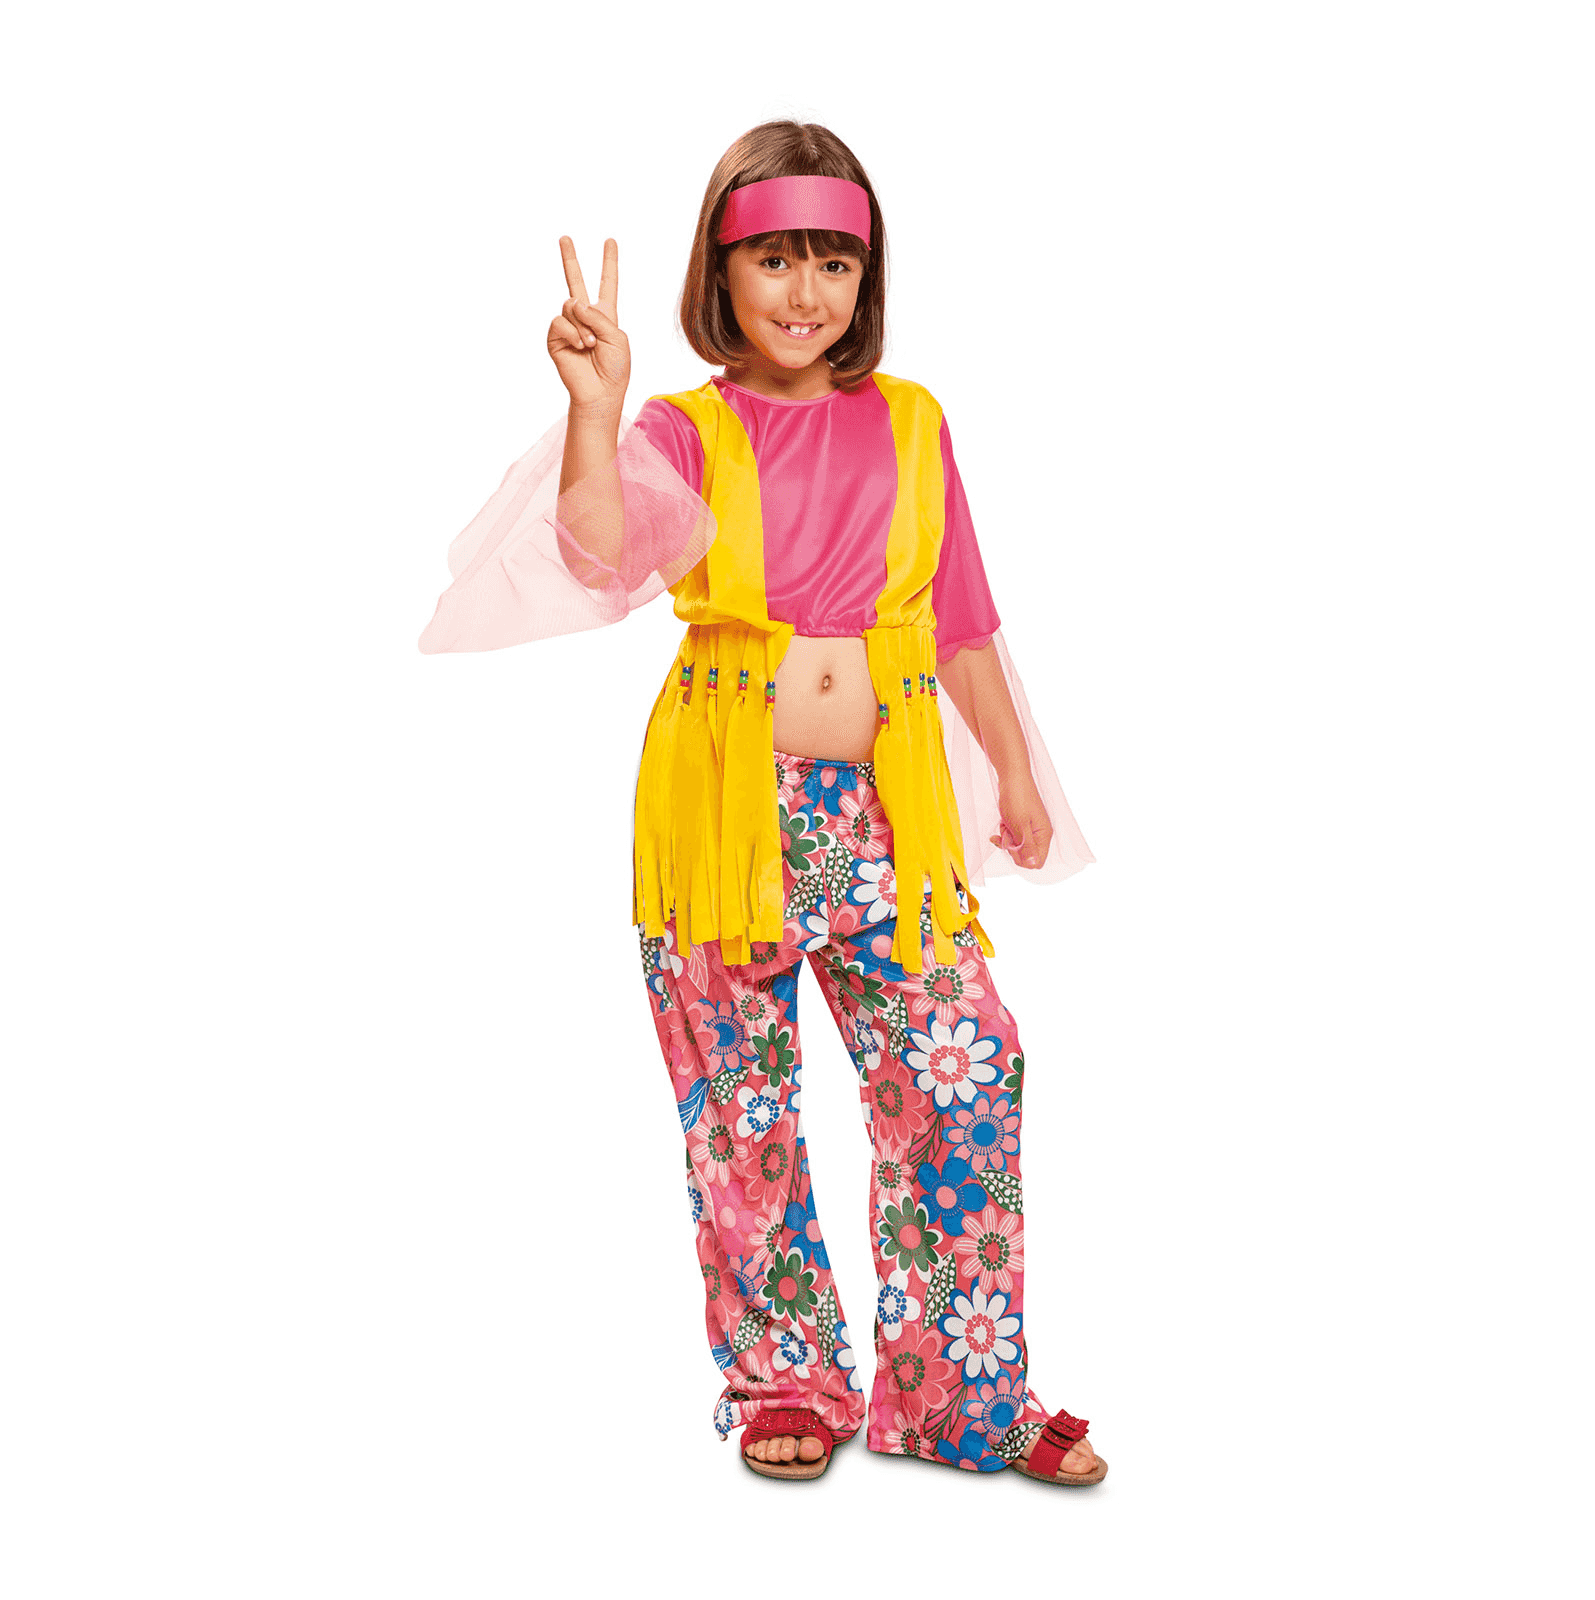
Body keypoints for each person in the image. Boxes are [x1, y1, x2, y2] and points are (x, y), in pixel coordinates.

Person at [419, 120, 1105, 1485]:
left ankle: (962, 1396)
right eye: (774, 260)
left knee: (968, 1063)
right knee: (740, 1107)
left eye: (833, 264)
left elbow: (961, 617)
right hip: (721, 814)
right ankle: (787, 1378)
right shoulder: (688, 430)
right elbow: (601, 554)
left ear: (867, 278)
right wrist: (599, 411)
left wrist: (1017, 772)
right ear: (721, 273)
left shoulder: (913, 422)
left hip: (886, 816)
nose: (805, 293)